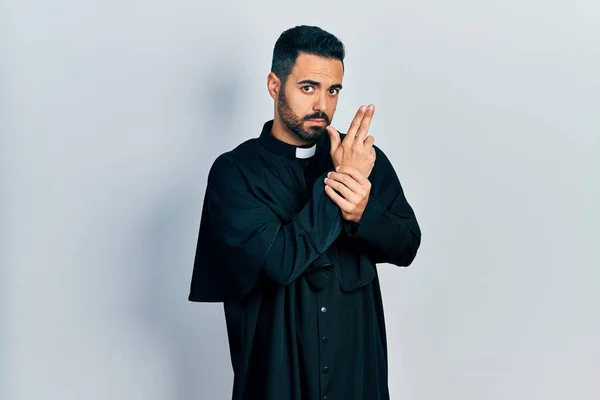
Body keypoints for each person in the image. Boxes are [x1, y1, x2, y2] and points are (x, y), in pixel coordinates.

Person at [188, 25, 421, 400]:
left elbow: (407, 245)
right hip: (277, 378)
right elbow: (281, 262)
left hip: (356, 375)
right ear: (274, 85)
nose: (323, 105)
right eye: (308, 88)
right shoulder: (235, 172)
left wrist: (362, 212)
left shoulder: (363, 160)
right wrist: (341, 181)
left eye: (333, 91)